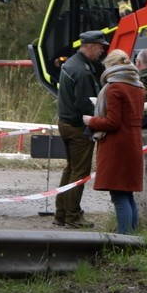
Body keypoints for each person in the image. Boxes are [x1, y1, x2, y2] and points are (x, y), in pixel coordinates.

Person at [83, 50, 145, 235]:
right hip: (133, 143)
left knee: (119, 195)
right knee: (127, 194)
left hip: (117, 147)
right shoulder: (138, 86)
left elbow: (112, 122)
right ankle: (132, 238)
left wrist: (90, 121)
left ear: (110, 66)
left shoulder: (114, 88)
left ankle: (123, 239)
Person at [54, 30, 109, 229]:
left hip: (65, 123)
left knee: (70, 169)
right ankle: (73, 217)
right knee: (79, 173)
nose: (102, 50)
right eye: (100, 46)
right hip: (78, 128)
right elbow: (85, 105)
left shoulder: (71, 63)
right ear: (90, 46)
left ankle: (61, 214)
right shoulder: (83, 71)